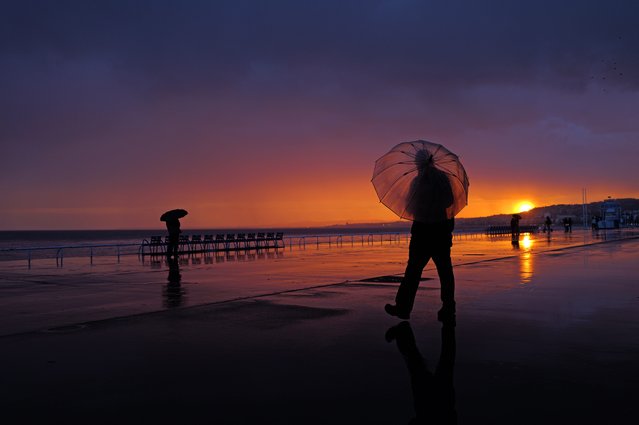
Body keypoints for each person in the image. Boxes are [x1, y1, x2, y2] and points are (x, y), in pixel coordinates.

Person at [385, 150, 456, 322]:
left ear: (418, 163)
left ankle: (403, 307)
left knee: (413, 272)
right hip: (440, 230)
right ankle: (448, 308)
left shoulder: (417, 181)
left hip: (423, 232)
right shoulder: (442, 179)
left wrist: (423, 205)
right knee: (444, 271)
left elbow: (410, 207)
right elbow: (450, 201)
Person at [385, 321, 457, 424]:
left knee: (421, 367)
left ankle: (404, 333)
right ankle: (448, 320)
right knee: (443, 359)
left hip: (432, 410)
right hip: (440, 410)